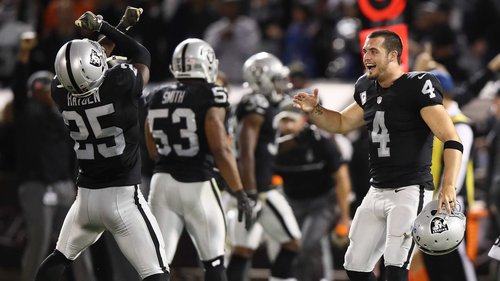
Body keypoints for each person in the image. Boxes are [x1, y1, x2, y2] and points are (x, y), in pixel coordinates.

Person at [292, 29, 463, 281]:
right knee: (355, 267)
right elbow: (340, 123)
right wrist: (315, 110)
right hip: (377, 189)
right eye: (364, 51)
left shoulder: (417, 87)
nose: (366, 57)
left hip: (410, 190)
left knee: (395, 269)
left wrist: (448, 185)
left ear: (393, 55)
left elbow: (452, 139)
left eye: (373, 51)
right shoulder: (366, 87)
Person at [34, 10, 170, 281]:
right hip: (123, 197)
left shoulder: (58, 91)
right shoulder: (119, 82)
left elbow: (93, 58)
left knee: (59, 257)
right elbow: (142, 54)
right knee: (157, 273)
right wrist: (105, 25)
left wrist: (120, 26)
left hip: (85, 198)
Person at [143, 38, 253, 281]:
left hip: (161, 183)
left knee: (158, 265)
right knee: (214, 263)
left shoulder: (156, 94)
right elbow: (219, 148)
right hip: (198, 184)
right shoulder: (212, 94)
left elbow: (151, 143)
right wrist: (239, 191)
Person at [12, 31, 95, 281]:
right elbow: (18, 89)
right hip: (36, 185)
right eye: (39, 87)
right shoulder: (27, 112)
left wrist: (76, 184)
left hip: (63, 184)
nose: (44, 90)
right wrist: (24, 56)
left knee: (76, 242)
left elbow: (75, 152)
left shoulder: (64, 115)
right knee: (39, 239)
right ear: (32, 91)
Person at [227, 52, 301, 281]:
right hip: (258, 189)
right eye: (277, 79)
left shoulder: (261, 104)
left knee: (243, 249)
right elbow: (247, 150)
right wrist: (250, 191)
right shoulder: (256, 103)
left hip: (256, 186)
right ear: (263, 78)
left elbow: (263, 148)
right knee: (291, 242)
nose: (282, 84)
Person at [274, 102, 352, 281]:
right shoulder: (274, 144)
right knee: (294, 246)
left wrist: (344, 216)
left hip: (322, 201)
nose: (287, 126)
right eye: (283, 121)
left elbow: (341, 178)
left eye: (291, 120)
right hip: (292, 201)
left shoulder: (320, 141)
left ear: (303, 120)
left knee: (309, 243)